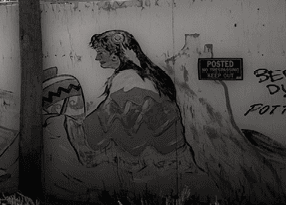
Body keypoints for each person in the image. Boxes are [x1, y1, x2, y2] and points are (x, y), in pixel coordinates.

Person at [66, 30, 194, 174]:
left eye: (101, 53)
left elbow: (106, 122)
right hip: (174, 158)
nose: (97, 58)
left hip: (158, 166)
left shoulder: (128, 79)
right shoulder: (150, 74)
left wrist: (74, 123)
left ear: (115, 55)